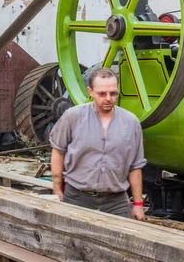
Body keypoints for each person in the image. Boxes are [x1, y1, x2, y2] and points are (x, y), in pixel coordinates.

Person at [49, 68, 146, 220]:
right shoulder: (72, 117)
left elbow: (135, 166)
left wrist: (138, 204)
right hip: (77, 197)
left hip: (116, 200)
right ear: (90, 91)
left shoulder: (131, 122)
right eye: (102, 94)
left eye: (113, 93)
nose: (108, 98)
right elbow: (58, 151)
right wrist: (56, 188)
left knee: (120, 242)